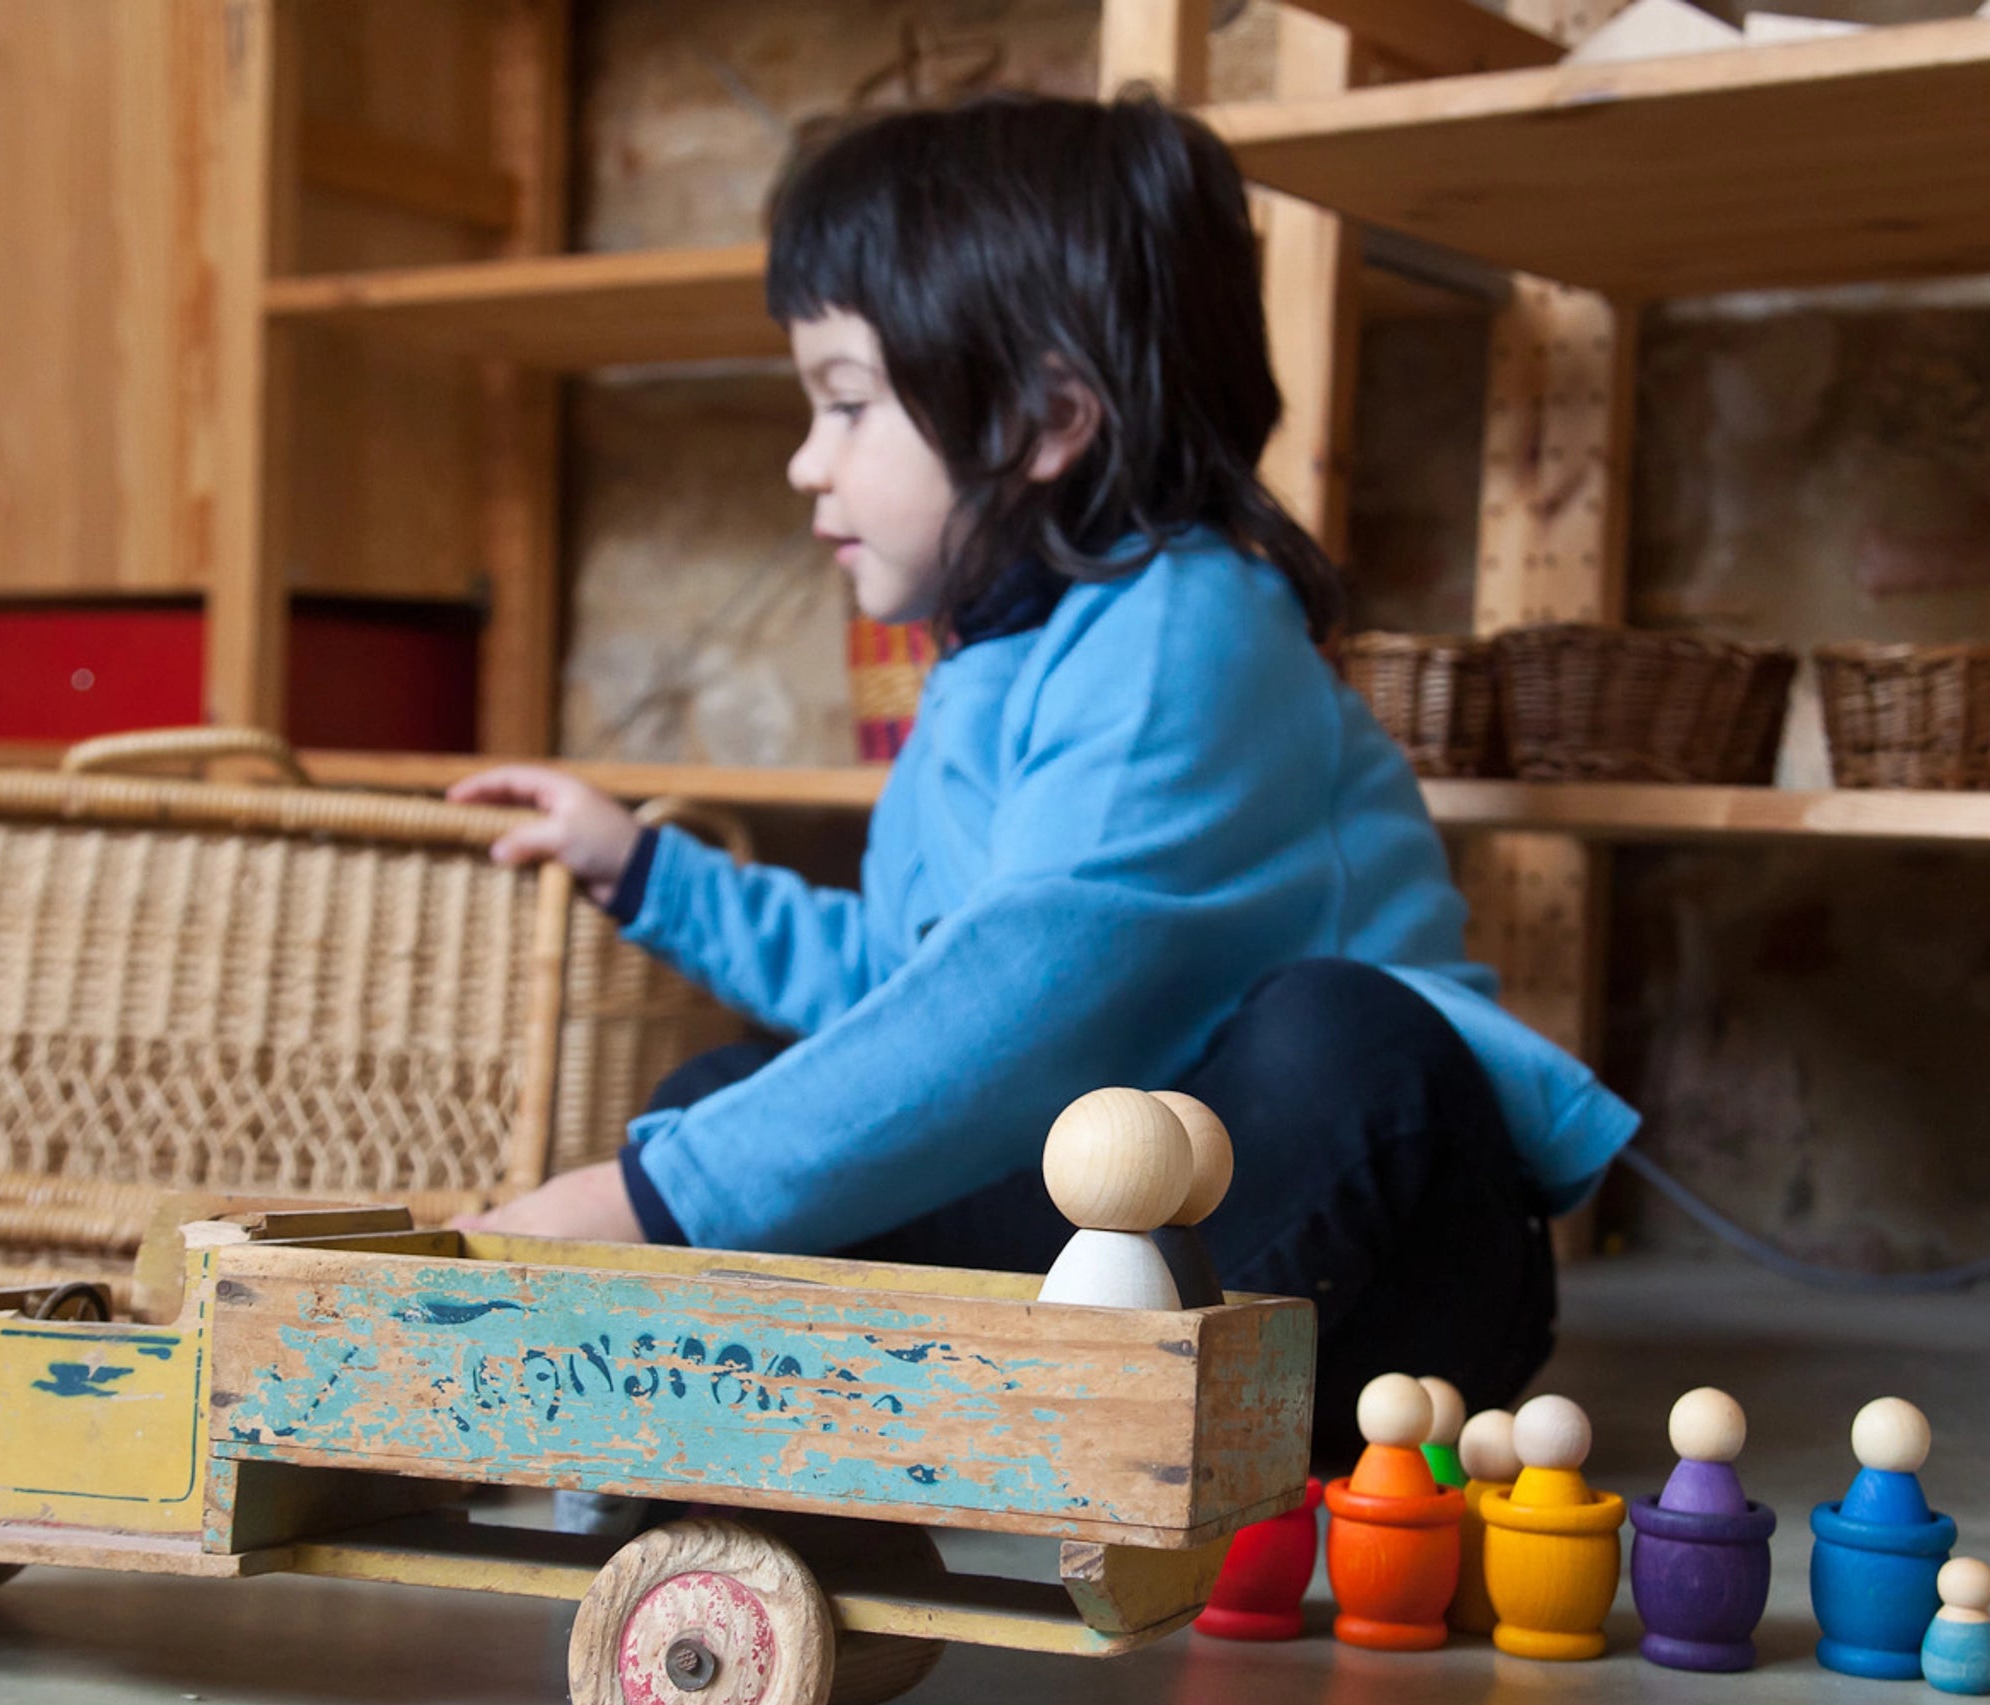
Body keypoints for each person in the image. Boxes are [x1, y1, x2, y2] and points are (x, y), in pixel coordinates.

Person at [449, 91, 1639, 1454]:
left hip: (1382, 1255)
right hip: (1123, 1232)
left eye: (845, 405)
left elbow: (1042, 982)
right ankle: (993, 1411)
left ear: (1044, 420)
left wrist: (657, 1208)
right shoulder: (979, 670)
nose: (805, 462)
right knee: (715, 1102)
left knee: (1340, 1034)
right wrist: (651, 872)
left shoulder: (1184, 628)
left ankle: (997, 1411)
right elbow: (913, 1005)